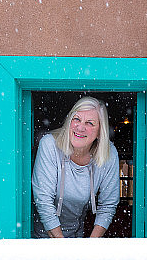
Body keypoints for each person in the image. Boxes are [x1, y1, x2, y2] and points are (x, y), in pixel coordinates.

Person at [32, 96, 120, 238]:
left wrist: (88, 248)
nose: (80, 127)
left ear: (100, 131)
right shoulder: (49, 145)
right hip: (40, 240)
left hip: (76, 237)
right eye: (76, 119)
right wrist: (63, 250)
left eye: (90, 123)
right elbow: (43, 201)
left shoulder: (108, 154)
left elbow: (108, 206)